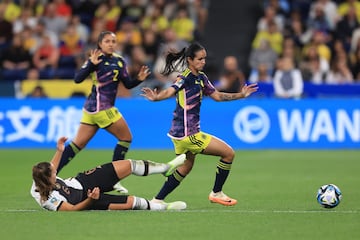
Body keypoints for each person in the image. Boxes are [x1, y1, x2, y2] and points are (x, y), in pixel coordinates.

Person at [141, 42, 258, 206]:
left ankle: (157, 200)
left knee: (186, 167)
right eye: (200, 59)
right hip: (189, 134)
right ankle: (217, 193)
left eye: (204, 59)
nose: (203, 62)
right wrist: (157, 97)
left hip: (179, 133)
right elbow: (171, 90)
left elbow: (217, 96)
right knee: (228, 153)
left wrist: (241, 95)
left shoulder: (201, 78)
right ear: (190, 60)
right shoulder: (185, 77)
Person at [57, 31, 151, 194]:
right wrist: (91, 65)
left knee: (77, 145)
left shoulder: (120, 61)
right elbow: (78, 79)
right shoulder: (95, 59)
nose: (111, 44)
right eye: (107, 41)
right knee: (126, 138)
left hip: (90, 110)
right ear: (100, 43)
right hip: (103, 109)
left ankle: (50, 175)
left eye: (113, 41)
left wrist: (139, 79)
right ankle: (114, 179)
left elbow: (127, 84)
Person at [31, 136, 187, 211]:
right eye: (53, 174)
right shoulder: (47, 200)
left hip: (83, 181)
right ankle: (164, 207)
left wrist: (59, 150)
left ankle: (165, 168)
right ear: (46, 180)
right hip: (85, 200)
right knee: (132, 202)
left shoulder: (42, 176)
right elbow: (71, 210)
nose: (55, 172)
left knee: (127, 165)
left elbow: (52, 167)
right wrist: (91, 200)